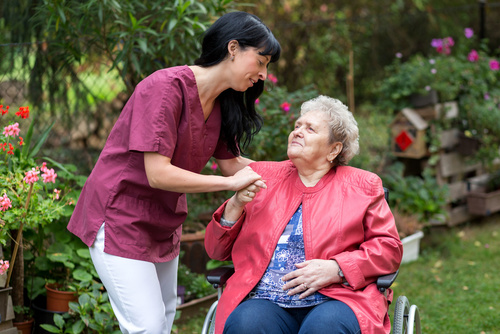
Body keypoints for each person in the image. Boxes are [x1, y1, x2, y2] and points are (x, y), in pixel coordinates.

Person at [67, 11, 280, 333]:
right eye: (261, 61)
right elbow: (158, 174)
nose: (263, 74)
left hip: (163, 220)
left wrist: (301, 169)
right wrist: (228, 183)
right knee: (147, 327)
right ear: (233, 48)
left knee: (165, 317)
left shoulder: (225, 103)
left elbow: (232, 164)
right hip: (119, 215)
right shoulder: (165, 87)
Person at [205, 95, 403, 334]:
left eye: (310, 129)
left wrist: (337, 268)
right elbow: (215, 250)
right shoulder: (260, 176)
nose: (297, 132)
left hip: (337, 299)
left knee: (324, 328)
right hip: (265, 299)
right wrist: (235, 205)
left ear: (334, 149)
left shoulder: (363, 185)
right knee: (246, 324)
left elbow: (389, 248)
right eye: (297, 125)